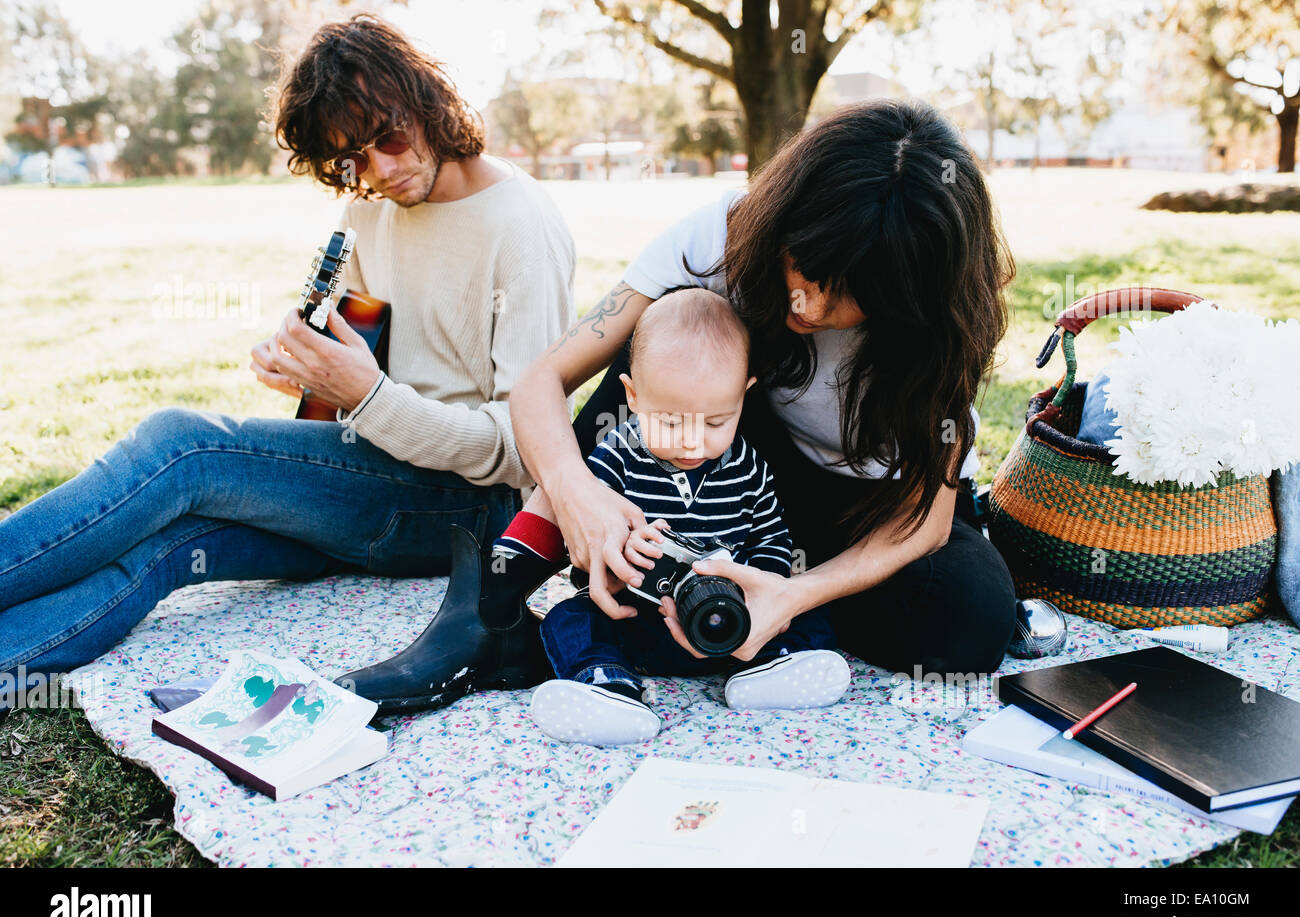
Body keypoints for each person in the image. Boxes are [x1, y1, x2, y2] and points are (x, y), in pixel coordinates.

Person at [366, 98, 1019, 710]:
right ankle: (494, 611)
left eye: (847, 296)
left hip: (861, 511)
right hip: (732, 464)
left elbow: (926, 523)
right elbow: (542, 381)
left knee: (971, 621)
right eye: (807, 269)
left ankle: (749, 617)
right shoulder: (720, 236)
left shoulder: (942, 327)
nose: (808, 306)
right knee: (667, 350)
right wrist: (577, 494)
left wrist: (796, 592)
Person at [0, 14, 573, 698]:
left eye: (388, 137)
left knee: (182, 448)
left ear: (429, 102)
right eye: (349, 161)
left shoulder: (521, 228)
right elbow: (365, 349)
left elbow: (519, 452)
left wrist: (367, 395)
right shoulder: (369, 208)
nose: (379, 170)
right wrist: (314, 371)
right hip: (370, 471)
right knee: (173, 542)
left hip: (464, 509)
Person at [526, 288, 847, 747]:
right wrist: (620, 559)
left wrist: (762, 593)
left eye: (716, 422)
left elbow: (773, 541)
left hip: (735, 626)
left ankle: (775, 667)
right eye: (672, 422)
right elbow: (587, 554)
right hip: (641, 618)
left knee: (809, 609)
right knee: (568, 618)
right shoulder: (615, 459)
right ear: (633, 397)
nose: (693, 443)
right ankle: (607, 687)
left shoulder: (748, 469)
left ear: (744, 396)